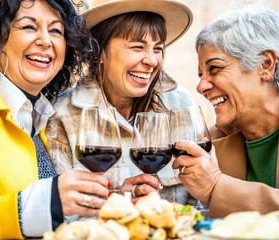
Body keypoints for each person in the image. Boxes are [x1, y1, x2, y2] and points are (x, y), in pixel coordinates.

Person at [0, 0, 108, 239]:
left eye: (56, 31)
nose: (45, 40)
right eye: (29, 27)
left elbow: (50, 220)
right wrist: (30, 206)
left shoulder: (43, 118)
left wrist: (117, 206)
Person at [46, 0, 195, 214]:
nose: (152, 60)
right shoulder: (60, 115)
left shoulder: (180, 105)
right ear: (99, 53)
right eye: (137, 47)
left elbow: (198, 205)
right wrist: (115, 208)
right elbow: (59, 219)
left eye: (158, 48)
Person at [172, 5, 279, 220]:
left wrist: (217, 187)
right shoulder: (213, 140)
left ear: (265, 64)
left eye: (215, 69)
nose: (201, 86)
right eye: (201, 74)